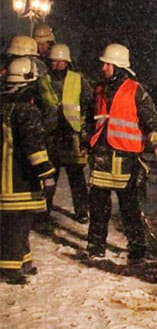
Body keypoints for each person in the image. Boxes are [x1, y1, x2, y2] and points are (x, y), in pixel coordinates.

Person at [86, 43, 157, 264]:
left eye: (107, 65)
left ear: (119, 66)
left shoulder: (135, 90)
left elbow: (153, 120)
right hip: (102, 156)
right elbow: (90, 118)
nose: (103, 68)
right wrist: (86, 140)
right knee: (98, 206)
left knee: (130, 207)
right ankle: (95, 247)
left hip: (126, 158)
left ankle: (138, 249)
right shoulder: (99, 89)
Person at [0, 57, 56, 284]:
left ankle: (24, 262)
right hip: (21, 179)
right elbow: (34, 146)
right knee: (18, 224)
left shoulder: (5, 107)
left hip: (5, 177)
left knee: (14, 224)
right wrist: (46, 172)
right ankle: (10, 269)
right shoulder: (27, 111)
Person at [38, 44, 92, 223]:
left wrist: (85, 129)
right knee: (49, 178)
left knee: (76, 177)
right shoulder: (43, 80)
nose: (55, 65)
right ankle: (44, 211)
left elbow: (89, 103)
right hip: (51, 135)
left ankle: (82, 210)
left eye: (58, 62)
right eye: (52, 61)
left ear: (66, 62)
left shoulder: (78, 80)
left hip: (71, 135)